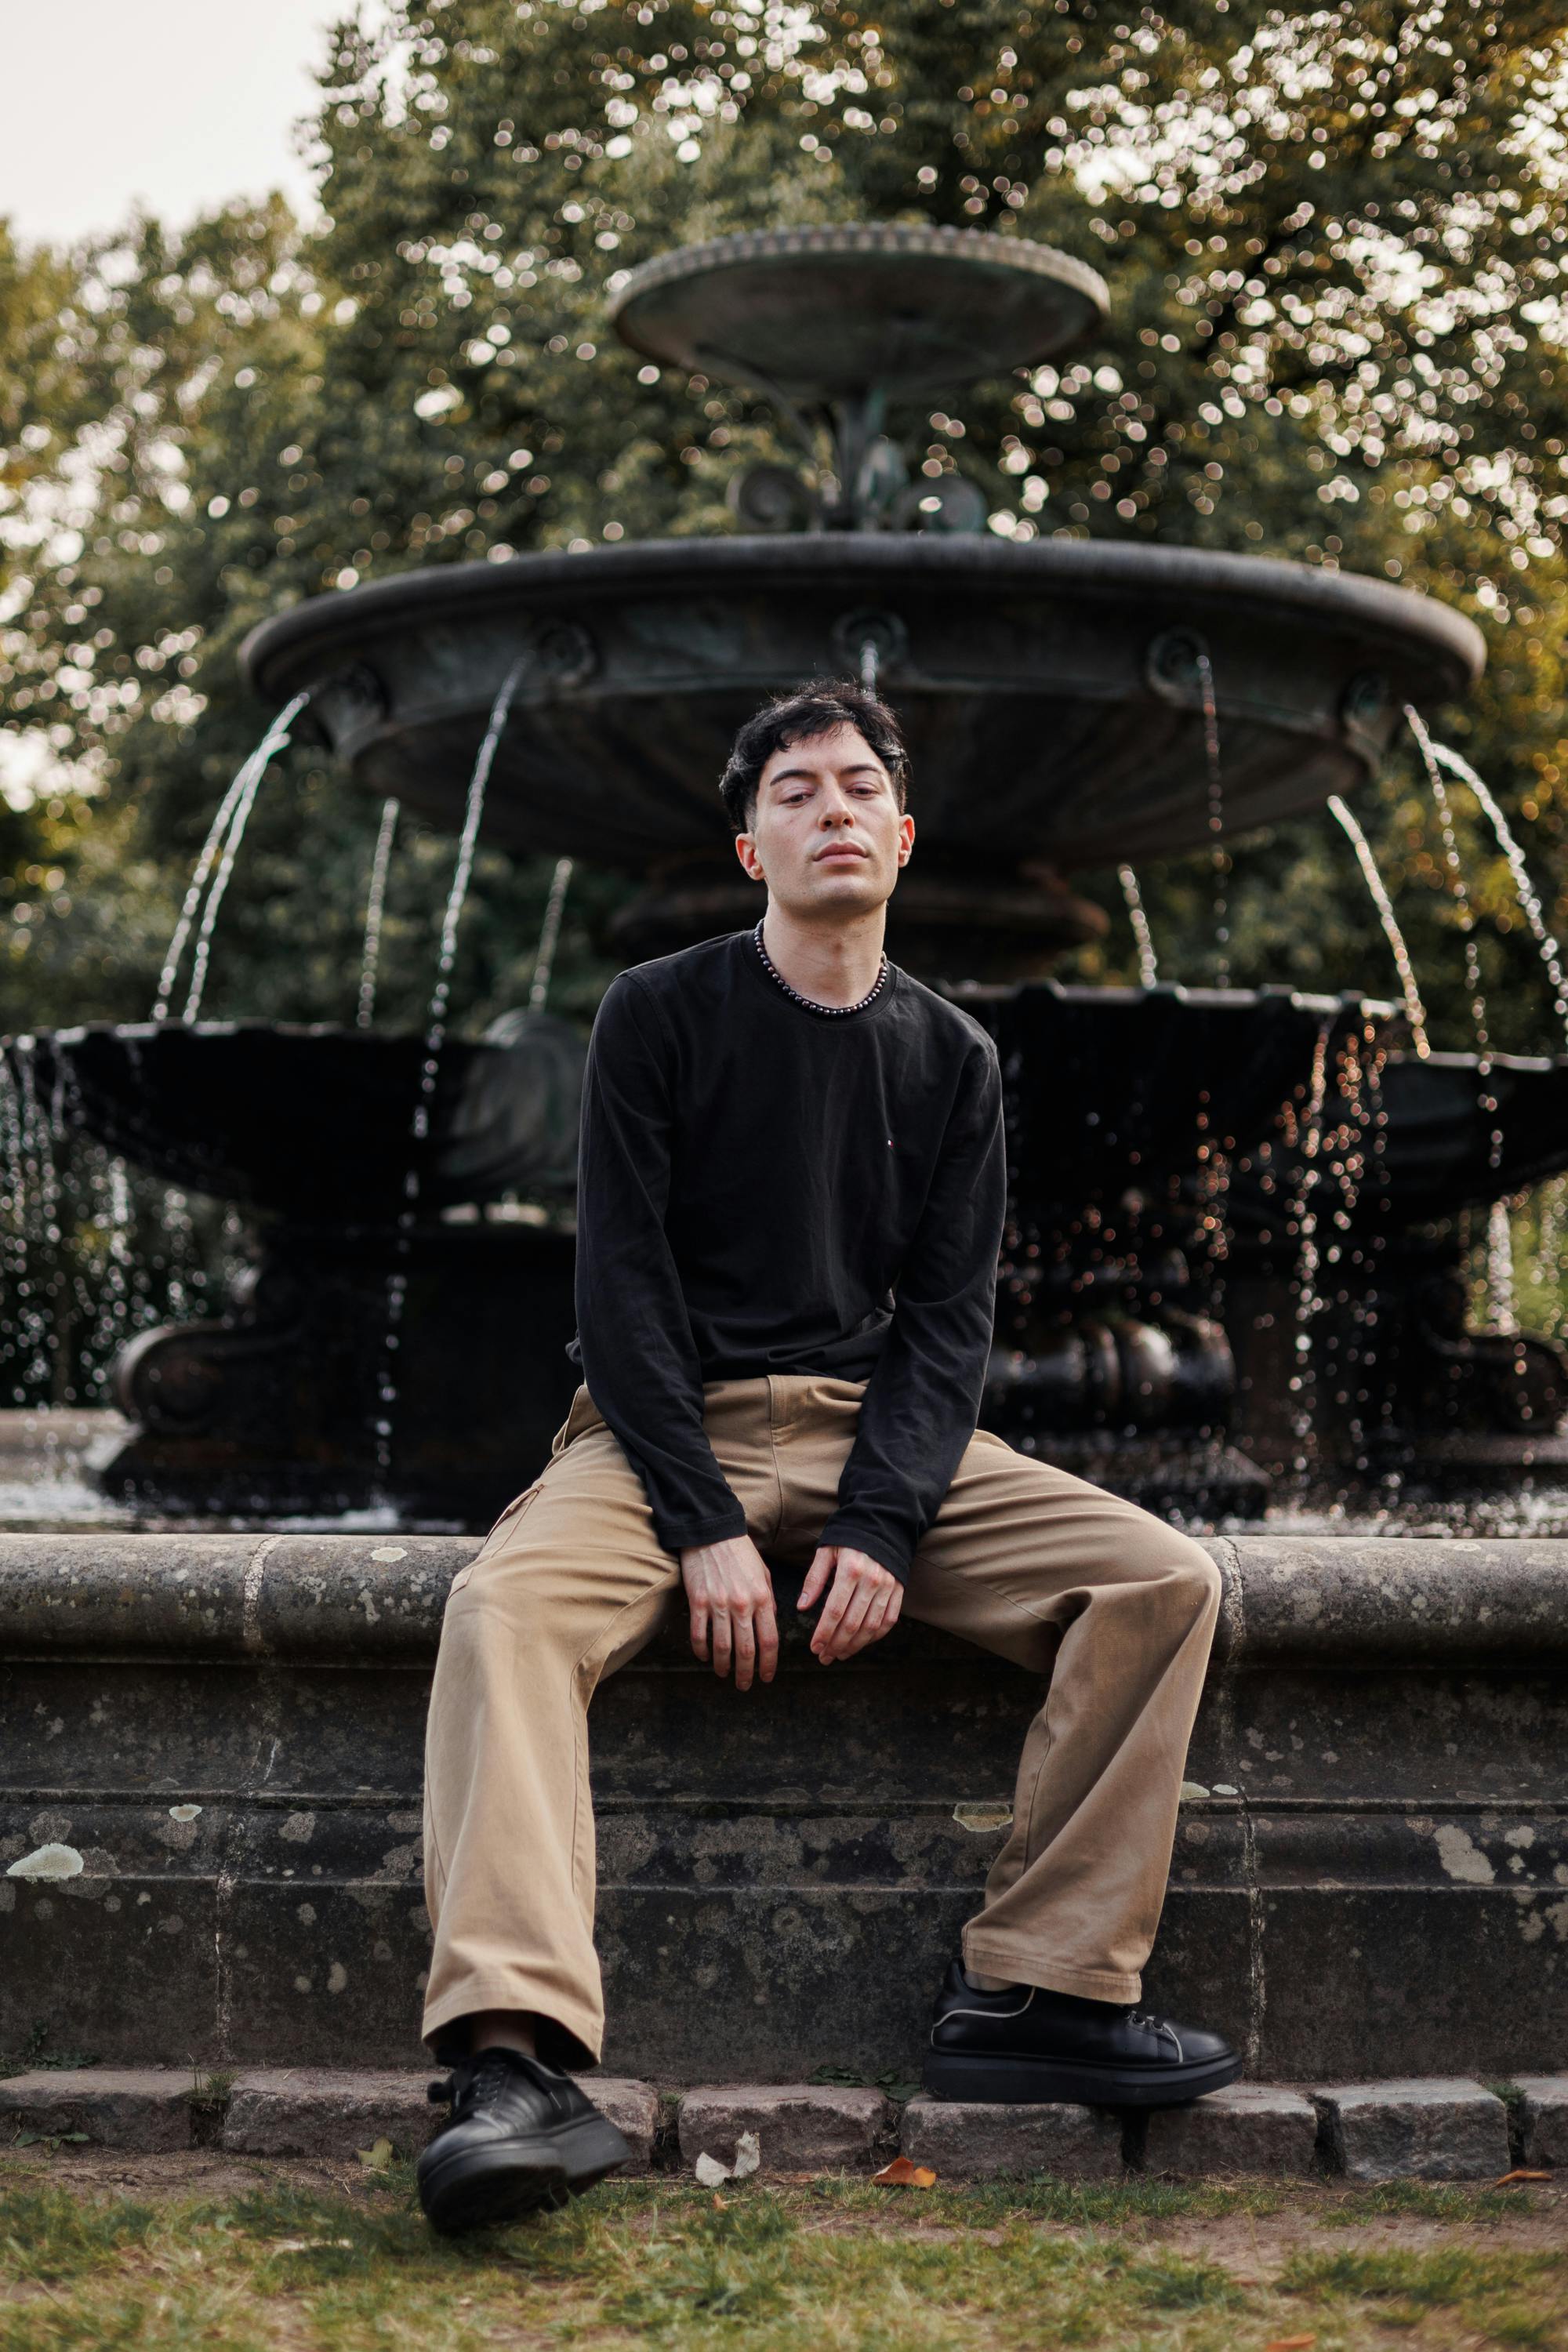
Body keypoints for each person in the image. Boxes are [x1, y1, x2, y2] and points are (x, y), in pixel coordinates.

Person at [414, 680, 1240, 2233]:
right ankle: (508, 2061)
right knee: (499, 1610)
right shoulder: (658, 1012)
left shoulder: (954, 1061)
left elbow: (947, 1326)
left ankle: (1038, 1991)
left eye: (858, 785)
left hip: (877, 1434)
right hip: (664, 1436)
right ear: (750, 848)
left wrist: (881, 1523)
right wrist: (702, 1518)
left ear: (905, 838)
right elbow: (621, 1296)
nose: (832, 808)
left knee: (1161, 1579)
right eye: (794, 790)